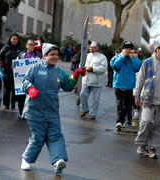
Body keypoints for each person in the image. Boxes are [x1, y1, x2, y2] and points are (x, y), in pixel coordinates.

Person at [20, 43, 85, 174]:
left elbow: (68, 85)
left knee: (55, 135)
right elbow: (25, 81)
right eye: (51, 54)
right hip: (34, 110)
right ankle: (26, 159)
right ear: (44, 56)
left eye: (56, 54)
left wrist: (76, 75)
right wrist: (30, 88)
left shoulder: (59, 73)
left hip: (52, 110)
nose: (55, 57)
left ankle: (58, 161)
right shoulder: (35, 68)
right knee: (38, 137)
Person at [110, 41, 142, 131]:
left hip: (129, 86)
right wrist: (122, 56)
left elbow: (138, 68)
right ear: (122, 49)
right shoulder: (117, 57)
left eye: (129, 49)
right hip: (118, 84)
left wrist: (132, 58)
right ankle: (119, 121)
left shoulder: (134, 59)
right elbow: (116, 66)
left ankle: (121, 121)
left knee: (127, 105)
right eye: (126, 49)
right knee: (119, 103)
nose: (127, 51)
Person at [80, 41, 107, 119]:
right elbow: (81, 65)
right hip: (86, 80)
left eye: (94, 47)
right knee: (83, 95)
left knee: (95, 99)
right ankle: (84, 109)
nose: (92, 49)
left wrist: (93, 69)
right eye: (91, 47)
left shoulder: (102, 57)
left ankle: (93, 113)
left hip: (96, 81)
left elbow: (103, 69)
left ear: (97, 48)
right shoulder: (86, 55)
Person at [16, 39, 41, 116]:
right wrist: (14, 67)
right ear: (26, 45)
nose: (31, 46)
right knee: (21, 97)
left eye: (32, 45)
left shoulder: (38, 56)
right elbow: (16, 65)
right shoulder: (21, 55)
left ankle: (29, 112)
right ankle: (21, 112)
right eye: (29, 44)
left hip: (33, 80)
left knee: (31, 97)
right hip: (22, 80)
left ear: (34, 46)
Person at [0, 33, 23, 110]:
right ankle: (6, 104)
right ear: (10, 39)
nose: (14, 40)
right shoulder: (6, 47)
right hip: (7, 71)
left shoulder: (21, 48)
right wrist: (2, 66)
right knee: (7, 89)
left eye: (16, 39)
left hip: (17, 72)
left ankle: (13, 104)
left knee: (15, 89)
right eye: (13, 39)